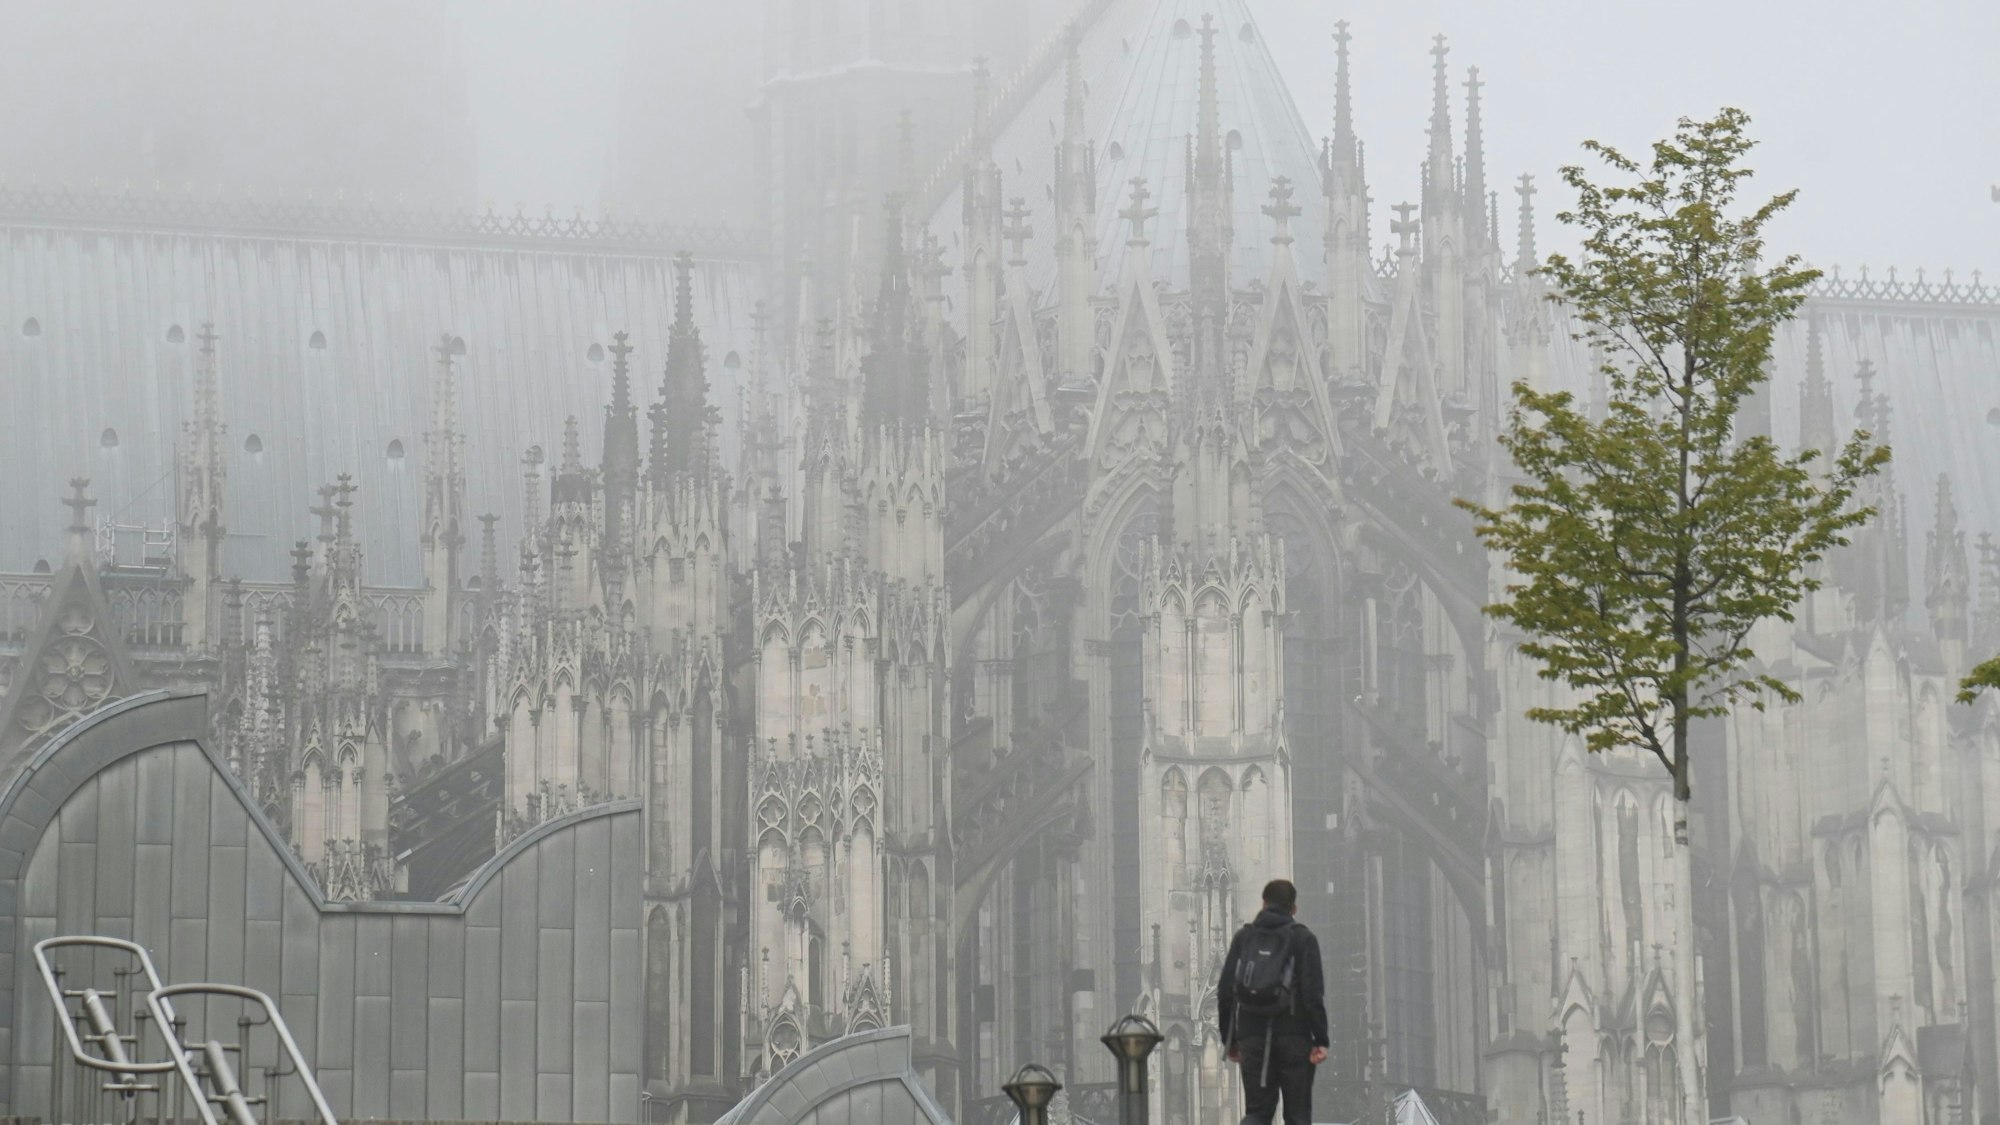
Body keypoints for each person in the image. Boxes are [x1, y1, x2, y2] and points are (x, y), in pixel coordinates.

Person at [1217, 878, 1329, 1125]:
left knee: (1257, 1113)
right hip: (1294, 1038)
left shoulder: (1244, 938)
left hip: (1252, 1037)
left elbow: (1225, 992)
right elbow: (1313, 994)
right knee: (1297, 1115)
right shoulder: (1303, 939)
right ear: (1293, 909)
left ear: (1264, 903)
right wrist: (1321, 1039)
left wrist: (1230, 1040)